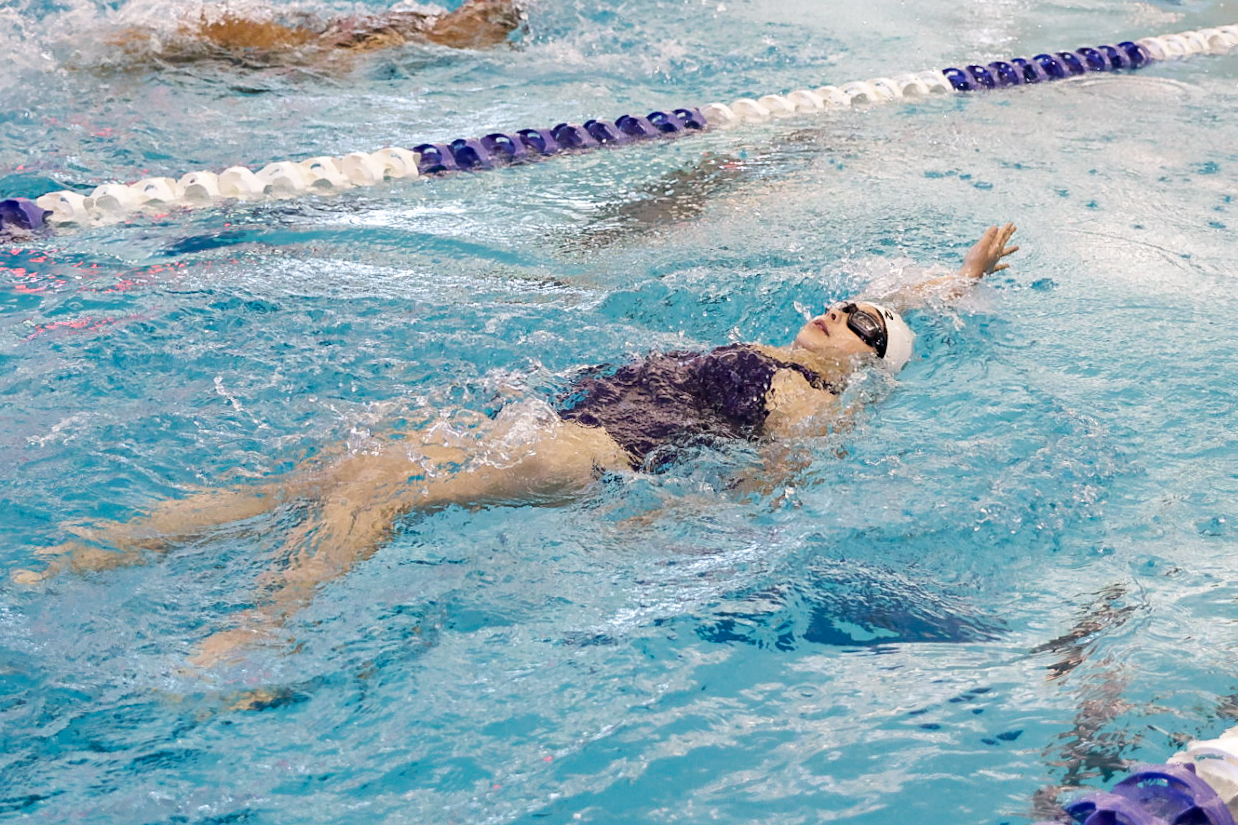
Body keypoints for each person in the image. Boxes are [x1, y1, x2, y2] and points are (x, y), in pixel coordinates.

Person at [12, 224, 1020, 666]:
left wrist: (667, 526)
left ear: (863, 362)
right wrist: (962, 279)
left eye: (857, 323)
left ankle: (254, 635)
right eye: (844, 304)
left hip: (588, 455)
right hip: (558, 419)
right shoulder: (800, 352)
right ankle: (92, 556)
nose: (840, 312)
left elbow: (771, 488)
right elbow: (897, 306)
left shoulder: (813, 400)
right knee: (328, 472)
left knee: (377, 491)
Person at [106, 0, 525, 63]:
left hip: (307, 37)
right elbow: (340, 56)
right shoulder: (420, 29)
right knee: (183, 49)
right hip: (300, 46)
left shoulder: (422, 23)